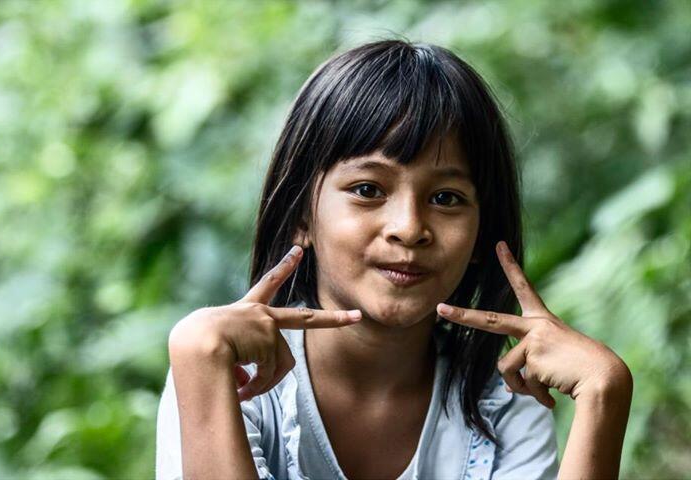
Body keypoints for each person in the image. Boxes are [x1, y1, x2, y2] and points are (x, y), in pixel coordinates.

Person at [155, 39, 633, 479]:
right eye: (367, 190)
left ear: (481, 234)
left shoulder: (504, 406)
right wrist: (199, 356)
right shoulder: (226, 372)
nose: (409, 227)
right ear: (303, 213)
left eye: (446, 198)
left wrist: (603, 395)